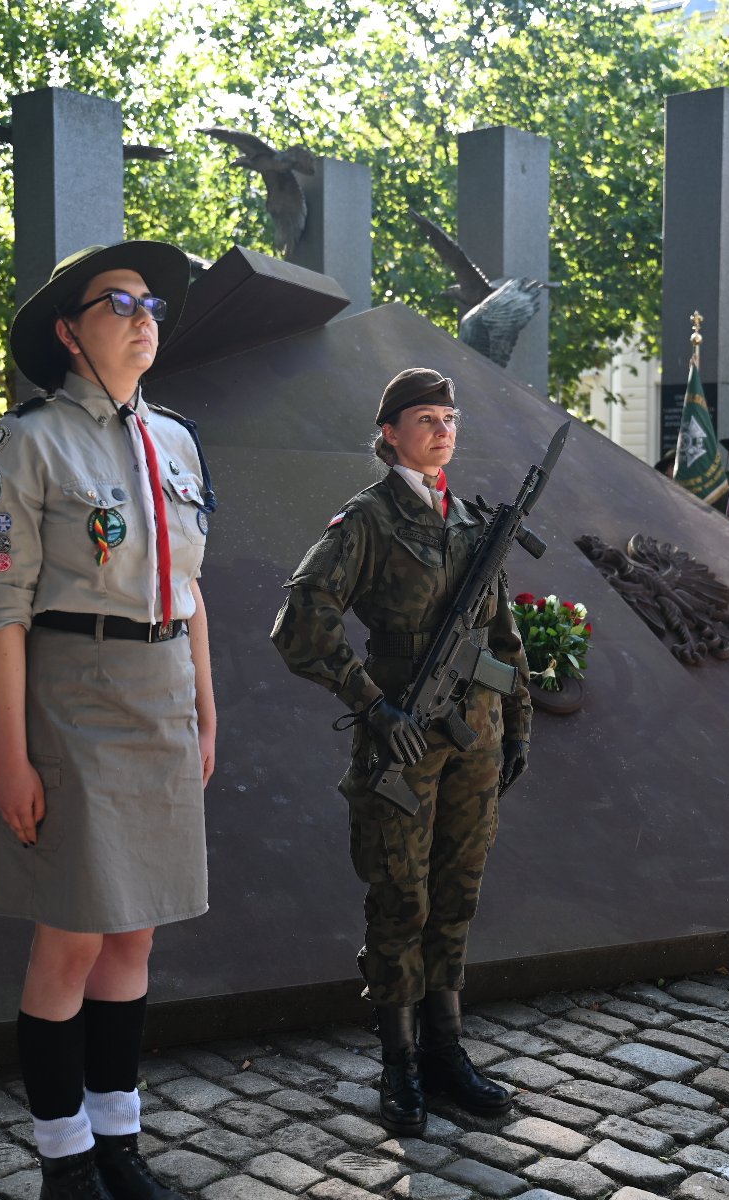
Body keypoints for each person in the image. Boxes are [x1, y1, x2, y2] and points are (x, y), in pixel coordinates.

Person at [0, 241, 216, 1200]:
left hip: (162, 693)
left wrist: (206, 708)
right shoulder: (27, 441)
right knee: (72, 935)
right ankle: (63, 1158)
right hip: (72, 701)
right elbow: (2, 613)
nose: (141, 315)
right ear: (70, 335)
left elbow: (193, 591)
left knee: (137, 934)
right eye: (116, 303)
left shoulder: (180, 441)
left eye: (149, 302)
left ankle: (118, 1138)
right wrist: (10, 761)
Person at [271, 367, 532, 1137]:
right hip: (405, 741)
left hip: (474, 738)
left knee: (456, 894)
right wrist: (371, 703)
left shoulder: (469, 520)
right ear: (388, 433)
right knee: (400, 899)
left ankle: (447, 1053)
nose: (443, 431)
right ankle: (400, 1062)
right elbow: (301, 624)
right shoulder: (366, 522)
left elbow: (501, 634)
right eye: (425, 419)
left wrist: (517, 722)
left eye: (450, 418)